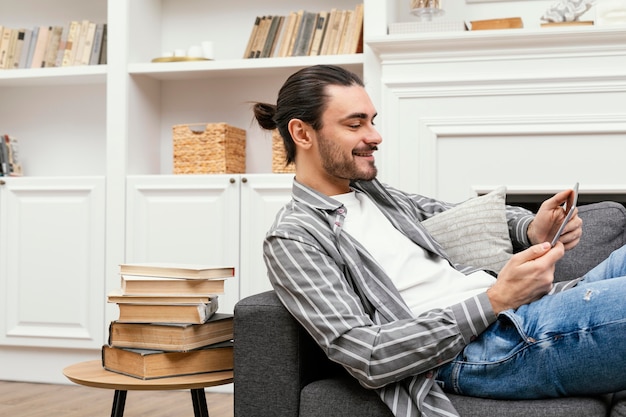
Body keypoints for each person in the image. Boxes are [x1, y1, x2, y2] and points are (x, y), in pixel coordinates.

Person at [253, 64, 626, 417]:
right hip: (483, 348)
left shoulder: (380, 197)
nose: (375, 136)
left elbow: (461, 211)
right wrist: (496, 299)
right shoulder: (294, 236)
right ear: (302, 133)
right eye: (355, 124)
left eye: (372, 121)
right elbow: (367, 355)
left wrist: (532, 228)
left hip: (526, 310)